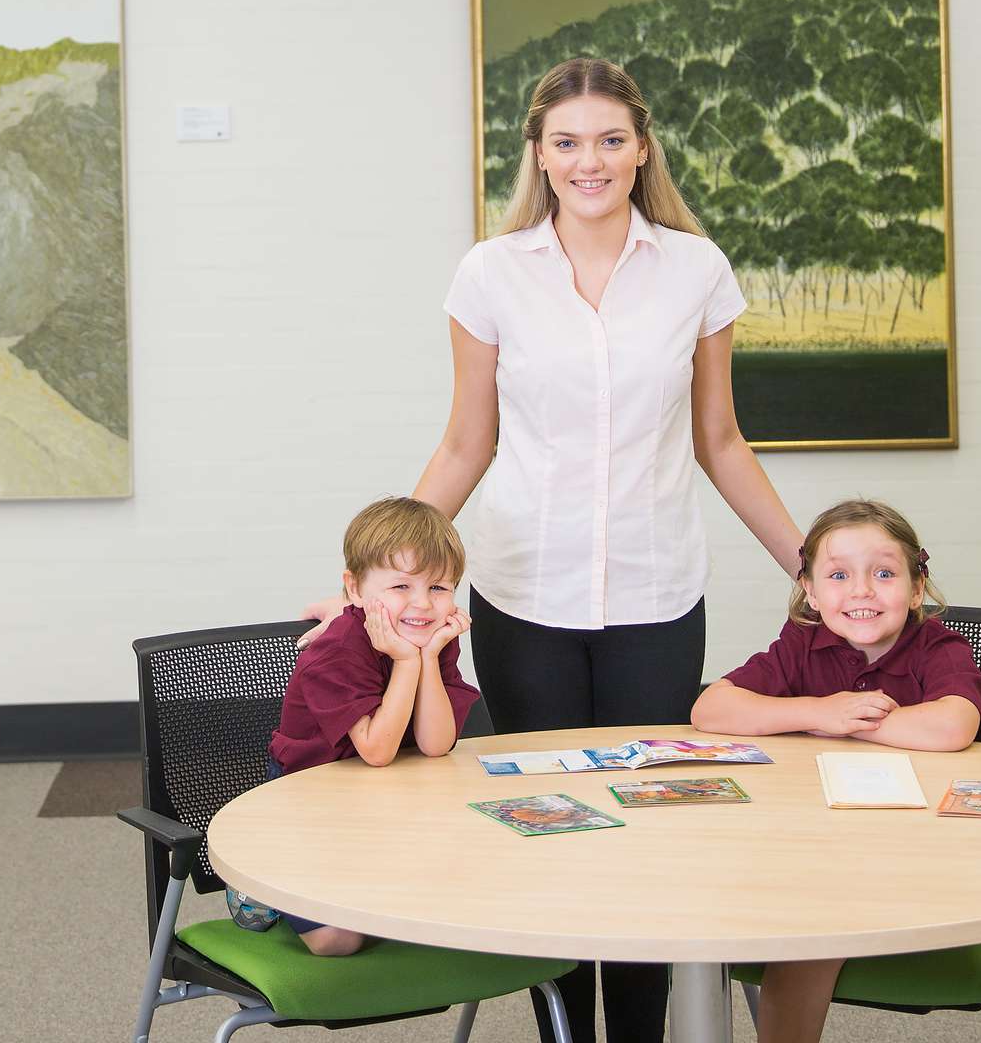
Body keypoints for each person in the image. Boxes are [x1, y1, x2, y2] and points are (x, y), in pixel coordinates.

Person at [302, 57, 803, 1042]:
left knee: (652, 831)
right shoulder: (491, 274)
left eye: (611, 139)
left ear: (643, 148)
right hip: (525, 596)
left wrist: (809, 568)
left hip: (658, 600)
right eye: (568, 142)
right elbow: (465, 445)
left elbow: (720, 441)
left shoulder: (696, 270)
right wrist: (367, 584)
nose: (591, 160)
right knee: (558, 831)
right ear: (538, 153)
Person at [690, 498, 981, 1043]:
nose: (862, 591)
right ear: (810, 588)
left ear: (917, 588)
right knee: (714, 901)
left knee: (811, 936)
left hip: (923, 856)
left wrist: (852, 721)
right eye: (839, 575)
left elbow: (951, 726)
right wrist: (815, 711)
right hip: (820, 851)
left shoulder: (937, 645)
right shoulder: (803, 642)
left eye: (884, 573)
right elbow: (711, 709)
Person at [247, 496, 482, 957]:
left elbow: (436, 745)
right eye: (400, 587)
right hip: (307, 803)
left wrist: (428, 657)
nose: (422, 604)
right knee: (338, 940)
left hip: (383, 799)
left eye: (439, 588)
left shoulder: (430, 640)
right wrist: (404, 661)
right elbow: (376, 749)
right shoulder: (335, 651)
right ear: (354, 590)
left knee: (457, 899)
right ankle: (261, 882)